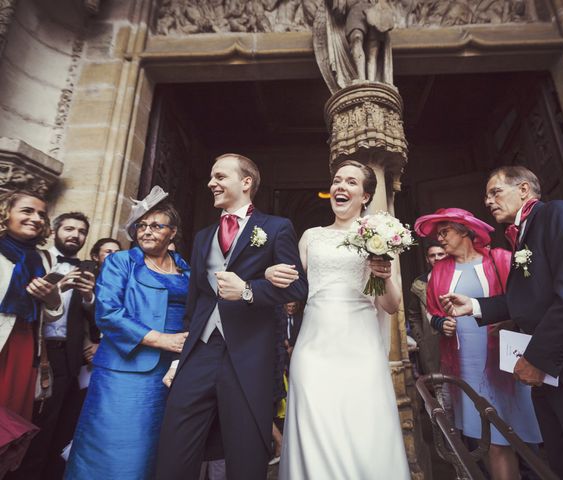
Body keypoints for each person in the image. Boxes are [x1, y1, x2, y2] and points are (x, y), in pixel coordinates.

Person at [441, 166, 563, 480]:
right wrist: (476, 305)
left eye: (495, 192)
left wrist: (536, 359)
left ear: (523, 190)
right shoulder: (521, 235)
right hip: (556, 376)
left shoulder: (558, 215)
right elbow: (533, 297)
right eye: (486, 195)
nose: (488, 201)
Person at [155, 153, 308, 480]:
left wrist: (250, 290)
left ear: (246, 182)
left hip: (249, 355)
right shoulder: (202, 237)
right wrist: (180, 358)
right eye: (212, 177)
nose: (212, 183)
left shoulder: (276, 228)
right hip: (201, 352)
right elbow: (194, 304)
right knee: (174, 446)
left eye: (220, 176)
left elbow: (297, 289)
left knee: (245, 453)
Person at [266, 160, 410, 479]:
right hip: (314, 349)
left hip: (361, 348)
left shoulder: (380, 238)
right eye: (336, 181)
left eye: (351, 182)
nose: (340, 187)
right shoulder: (311, 237)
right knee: (315, 429)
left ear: (366, 195)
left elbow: (390, 305)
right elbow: (290, 286)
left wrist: (383, 275)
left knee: (362, 429)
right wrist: (267, 273)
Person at [65, 193, 190, 480]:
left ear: (173, 233)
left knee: (155, 449)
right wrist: (161, 339)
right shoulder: (122, 262)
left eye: (158, 226)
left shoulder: (187, 270)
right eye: (142, 225)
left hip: (170, 371)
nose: (147, 230)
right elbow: (108, 313)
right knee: (113, 447)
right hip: (123, 371)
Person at [414, 208, 541, 480]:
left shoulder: (502, 259)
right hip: (467, 363)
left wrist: (511, 322)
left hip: (507, 360)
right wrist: (440, 323)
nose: (440, 238)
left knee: (524, 436)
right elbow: (433, 310)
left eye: (445, 231)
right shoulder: (440, 270)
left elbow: (525, 302)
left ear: (464, 231)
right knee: (492, 439)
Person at [10, 212, 97, 480]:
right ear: (54, 231)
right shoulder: (34, 259)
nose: (75, 235)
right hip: (31, 350)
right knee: (19, 420)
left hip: (66, 358)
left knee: (53, 427)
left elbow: (97, 322)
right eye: (69, 229)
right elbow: (17, 302)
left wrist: (89, 296)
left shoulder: (89, 269)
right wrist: (55, 287)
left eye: (81, 231)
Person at [0, 190, 62, 422]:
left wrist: (52, 298)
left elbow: (51, 315)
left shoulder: (44, 259)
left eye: (41, 215)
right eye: (27, 211)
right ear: (5, 214)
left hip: (25, 344)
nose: (36, 219)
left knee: (9, 421)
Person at [406, 238, 446, 375]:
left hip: (458, 337)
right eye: (432, 255)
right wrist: (421, 340)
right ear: (427, 259)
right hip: (431, 343)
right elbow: (413, 315)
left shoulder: (460, 276)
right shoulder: (419, 283)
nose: (437, 258)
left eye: (441, 254)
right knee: (438, 383)